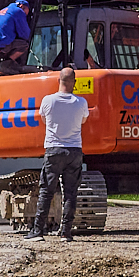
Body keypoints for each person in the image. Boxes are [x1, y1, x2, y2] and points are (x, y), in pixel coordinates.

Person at [25, 68, 91, 242]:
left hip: (54, 150)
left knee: (46, 191)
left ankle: (37, 232)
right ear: (74, 83)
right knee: (70, 193)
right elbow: (83, 120)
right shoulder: (81, 102)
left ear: (59, 81)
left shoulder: (48, 100)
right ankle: (66, 233)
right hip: (74, 150)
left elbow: (44, 120)